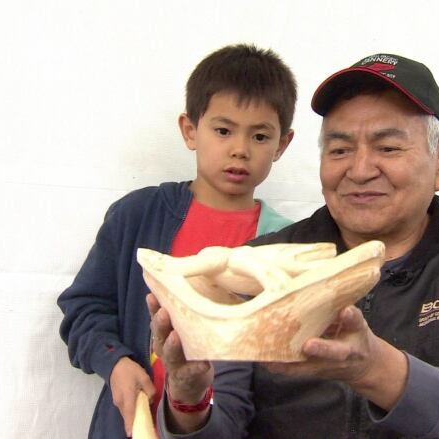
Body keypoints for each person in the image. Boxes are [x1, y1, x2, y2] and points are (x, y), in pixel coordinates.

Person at [148, 53, 439, 438]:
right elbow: (223, 425)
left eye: (388, 147)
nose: (359, 170)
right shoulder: (261, 262)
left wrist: (375, 369)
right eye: (340, 150)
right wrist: (188, 401)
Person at [57, 43, 298, 438]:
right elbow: (84, 307)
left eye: (259, 136)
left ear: (281, 145)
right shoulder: (138, 216)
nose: (239, 149)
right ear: (190, 130)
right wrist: (115, 363)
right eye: (223, 130)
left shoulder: (285, 243)